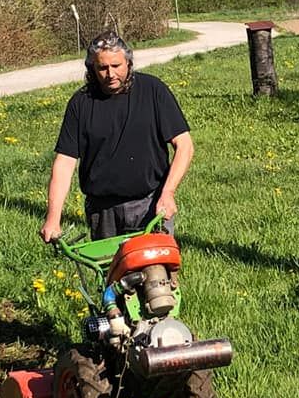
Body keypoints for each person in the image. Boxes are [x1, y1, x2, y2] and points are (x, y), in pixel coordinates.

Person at [39, 31, 194, 242]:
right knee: (111, 274)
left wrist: (168, 193)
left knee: (157, 274)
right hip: (102, 212)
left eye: (116, 66)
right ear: (92, 69)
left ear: (128, 63)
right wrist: (53, 218)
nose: (110, 74)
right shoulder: (81, 103)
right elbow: (65, 161)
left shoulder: (153, 91)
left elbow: (184, 145)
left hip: (150, 205)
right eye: (102, 68)